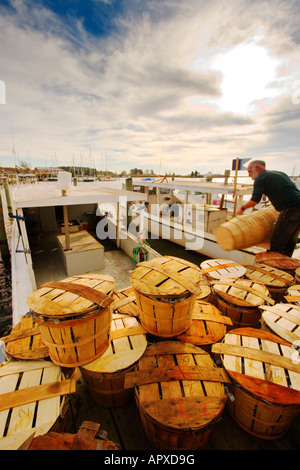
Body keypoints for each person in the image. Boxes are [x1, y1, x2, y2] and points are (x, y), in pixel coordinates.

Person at [237, 160, 300, 257]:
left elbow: (254, 200)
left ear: (257, 168)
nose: (249, 175)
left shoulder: (260, 178)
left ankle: (273, 267)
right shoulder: (279, 173)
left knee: (276, 240)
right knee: (290, 240)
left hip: (290, 209)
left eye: (249, 171)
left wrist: (242, 208)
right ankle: (285, 264)